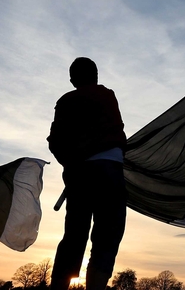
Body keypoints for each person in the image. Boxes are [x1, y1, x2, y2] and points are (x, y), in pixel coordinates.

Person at [47, 57, 128, 290]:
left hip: (80, 176)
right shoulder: (108, 97)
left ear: (72, 79)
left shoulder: (66, 102)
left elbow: (55, 142)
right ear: (96, 76)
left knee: (74, 236)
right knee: (107, 238)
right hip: (111, 174)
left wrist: (71, 164)